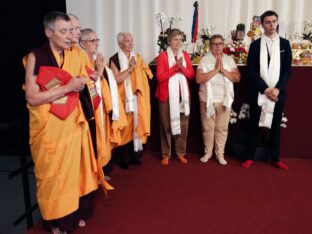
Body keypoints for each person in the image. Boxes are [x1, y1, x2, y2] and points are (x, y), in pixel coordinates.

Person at [24, 12, 99, 233]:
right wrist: (68, 87)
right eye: (63, 32)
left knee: (72, 176)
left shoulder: (72, 56)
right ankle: (54, 222)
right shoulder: (35, 57)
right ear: (49, 32)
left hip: (71, 125)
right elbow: (32, 97)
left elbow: (77, 83)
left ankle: (71, 219)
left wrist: (83, 81)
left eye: (71, 31)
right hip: (49, 131)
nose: (70, 37)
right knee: (53, 177)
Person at [241, 10, 292, 170]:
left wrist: (277, 89)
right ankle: (250, 156)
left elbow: (287, 70)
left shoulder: (285, 44)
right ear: (262, 25)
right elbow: (251, 71)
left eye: (274, 21)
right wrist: (266, 89)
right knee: (254, 125)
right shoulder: (255, 45)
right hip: (259, 92)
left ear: (277, 23)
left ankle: (275, 157)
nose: (272, 25)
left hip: (278, 93)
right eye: (268, 22)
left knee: (276, 126)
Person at [79, 28, 127, 179]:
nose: (96, 44)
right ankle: (94, 175)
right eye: (92, 41)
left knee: (102, 138)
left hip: (101, 107)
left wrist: (101, 69)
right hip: (90, 109)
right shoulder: (80, 62)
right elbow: (87, 87)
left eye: (96, 40)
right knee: (94, 140)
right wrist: (100, 70)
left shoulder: (94, 61)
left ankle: (100, 171)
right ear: (82, 44)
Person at [110, 32, 153, 169]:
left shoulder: (138, 58)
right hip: (124, 99)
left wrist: (141, 73)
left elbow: (147, 73)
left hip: (137, 97)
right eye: (127, 41)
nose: (130, 43)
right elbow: (116, 79)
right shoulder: (115, 59)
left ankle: (135, 156)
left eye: (131, 40)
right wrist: (129, 70)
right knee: (125, 128)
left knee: (136, 126)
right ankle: (123, 159)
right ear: (120, 44)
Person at [196, 34, 240, 165]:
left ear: (223, 45)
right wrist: (216, 70)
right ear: (210, 46)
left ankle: (220, 154)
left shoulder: (229, 60)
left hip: (224, 100)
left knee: (222, 128)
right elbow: (199, 79)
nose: (217, 46)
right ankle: (208, 153)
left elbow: (237, 78)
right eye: (214, 44)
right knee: (208, 128)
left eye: (220, 44)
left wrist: (223, 70)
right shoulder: (204, 60)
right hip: (207, 99)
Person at [156, 28, 195, 166]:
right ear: (169, 41)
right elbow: (160, 77)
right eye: (175, 39)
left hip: (183, 95)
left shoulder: (185, 55)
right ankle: (166, 154)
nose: (178, 42)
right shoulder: (163, 56)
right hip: (166, 95)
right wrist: (174, 69)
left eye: (180, 40)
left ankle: (180, 153)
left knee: (183, 125)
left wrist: (181, 68)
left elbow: (191, 75)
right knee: (166, 125)